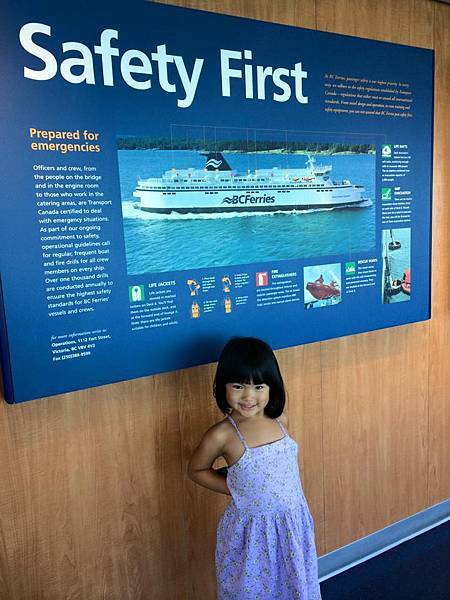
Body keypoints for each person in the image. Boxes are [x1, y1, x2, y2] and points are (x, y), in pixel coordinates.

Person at [188, 337, 321, 599]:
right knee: (252, 591)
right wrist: (233, 488)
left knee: (294, 584)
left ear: (272, 387)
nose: (249, 397)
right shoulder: (223, 435)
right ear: (222, 387)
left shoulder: (281, 420)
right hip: (252, 536)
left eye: (259, 386)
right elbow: (196, 470)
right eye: (238, 386)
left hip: (291, 524)